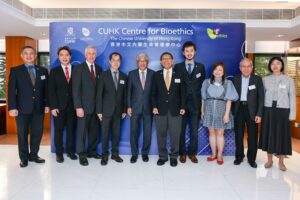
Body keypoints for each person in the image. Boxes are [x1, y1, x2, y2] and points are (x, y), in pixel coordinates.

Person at [8, 46, 49, 168]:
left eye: (31, 53)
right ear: (22, 55)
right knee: (22, 133)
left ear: (35, 55)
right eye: (26, 53)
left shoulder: (43, 71)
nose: (29, 55)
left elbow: (46, 90)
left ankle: (34, 155)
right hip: (21, 109)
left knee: (37, 133)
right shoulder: (16, 71)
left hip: (38, 108)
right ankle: (24, 158)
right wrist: (12, 107)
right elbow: (11, 91)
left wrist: (47, 104)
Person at [259, 57, 296, 171]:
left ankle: (281, 162)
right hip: (268, 109)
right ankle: (269, 160)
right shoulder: (265, 79)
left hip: (283, 110)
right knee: (269, 134)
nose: (275, 66)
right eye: (273, 64)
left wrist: (292, 115)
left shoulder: (288, 80)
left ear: (282, 66)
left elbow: (292, 97)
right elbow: (261, 97)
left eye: (278, 63)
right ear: (270, 66)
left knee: (282, 135)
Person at [174, 41, 206, 163]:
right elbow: (176, 86)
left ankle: (192, 153)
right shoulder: (178, 67)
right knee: (181, 131)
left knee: (194, 130)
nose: (189, 53)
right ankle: (182, 153)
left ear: (195, 52)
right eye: (187, 51)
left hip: (195, 105)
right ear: (183, 52)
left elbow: (202, 86)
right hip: (181, 104)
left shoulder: (201, 67)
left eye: (191, 51)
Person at [152, 52, 186, 167]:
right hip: (159, 110)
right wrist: (154, 107)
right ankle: (162, 156)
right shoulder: (156, 75)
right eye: (164, 59)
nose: (166, 61)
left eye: (169, 59)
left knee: (175, 135)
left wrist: (182, 107)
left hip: (175, 110)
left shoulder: (179, 74)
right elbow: (153, 94)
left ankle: (173, 157)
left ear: (172, 61)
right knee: (161, 134)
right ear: (161, 62)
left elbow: (183, 92)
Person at [201, 62, 238, 165]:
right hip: (209, 109)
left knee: (220, 134)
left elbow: (229, 100)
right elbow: (203, 99)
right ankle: (213, 154)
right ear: (213, 71)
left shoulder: (228, 83)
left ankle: (220, 155)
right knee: (211, 133)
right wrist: (202, 111)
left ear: (223, 72)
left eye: (220, 70)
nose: (217, 72)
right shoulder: (206, 82)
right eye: (216, 69)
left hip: (222, 110)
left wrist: (226, 114)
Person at [72, 45, 102, 166]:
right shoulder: (79, 68)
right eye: (89, 53)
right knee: (81, 132)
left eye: (93, 53)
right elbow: (76, 90)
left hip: (96, 108)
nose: (91, 55)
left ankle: (92, 151)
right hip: (83, 108)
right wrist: (78, 107)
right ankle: (81, 154)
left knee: (94, 131)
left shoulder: (99, 69)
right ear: (85, 55)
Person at [232, 58, 264, 168]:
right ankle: (239, 156)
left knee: (253, 136)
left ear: (252, 67)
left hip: (253, 111)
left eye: (248, 66)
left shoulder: (258, 79)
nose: (246, 69)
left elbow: (261, 98)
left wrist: (259, 114)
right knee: (239, 135)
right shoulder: (234, 79)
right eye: (243, 66)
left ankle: (251, 159)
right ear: (240, 68)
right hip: (238, 109)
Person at [96, 52, 127, 166]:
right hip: (105, 111)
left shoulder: (124, 76)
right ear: (110, 61)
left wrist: (124, 109)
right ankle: (105, 155)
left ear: (120, 62)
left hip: (118, 111)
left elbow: (124, 95)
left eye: (118, 60)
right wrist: (99, 111)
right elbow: (99, 94)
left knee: (116, 134)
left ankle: (115, 154)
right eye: (113, 60)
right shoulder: (103, 75)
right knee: (104, 134)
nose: (116, 62)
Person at [48, 46, 77, 163]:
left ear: (70, 56)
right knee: (58, 132)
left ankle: (70, 152)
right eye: (62, 55)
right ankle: (59, 153)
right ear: (59, 57)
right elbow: (51, 90)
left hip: (73, 107)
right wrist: (53, 107)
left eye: (66, 55)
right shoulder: (54, 71)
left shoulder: (77, 69)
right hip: (58, 108)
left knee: (71, 130)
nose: (64, 57)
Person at [127, 53, 155, 163]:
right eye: (140, 61)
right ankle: (134, 154)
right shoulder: (132, 74)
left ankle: (145, 153)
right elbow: (128, 92)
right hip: (135, 107)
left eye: (144, 61)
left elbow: (154, 92)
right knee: (133, 131)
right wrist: (128, 106)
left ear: (147, 62)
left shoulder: (153, 74)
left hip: (149, 108)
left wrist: (154, 106)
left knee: (147, 132)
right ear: (137, 62)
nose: (142, 63)